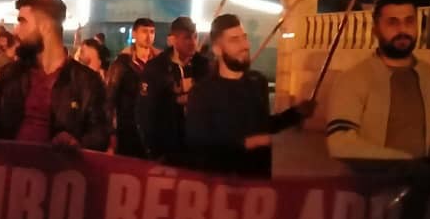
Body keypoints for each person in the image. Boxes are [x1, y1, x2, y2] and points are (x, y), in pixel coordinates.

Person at [186, 14, 316, 178]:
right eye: (234, 40)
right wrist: (247, 143)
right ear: (217, 49)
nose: (245, 45)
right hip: (222, 184)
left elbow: (262, 125)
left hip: (259, 181)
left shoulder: (257, 82)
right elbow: (199, 145)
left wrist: (295, 114)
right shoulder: (202, 92)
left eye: (244, 38)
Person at [326, 0, 430, 160]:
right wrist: (404, 162)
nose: (402, 30)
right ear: (376, 30)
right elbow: (340, 143)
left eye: (409, 21)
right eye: (392, 22)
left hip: (420, 176)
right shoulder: (353, 80)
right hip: (368, 176)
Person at [0, 0, 108, 151]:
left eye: (22, 22)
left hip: (60, 166)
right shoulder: (7, 75)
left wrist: (76, 143)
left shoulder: (86, 82)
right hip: (10, 164)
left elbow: (100, 135)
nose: (16, 32)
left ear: (46, 27)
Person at [135, 16, 212, 164]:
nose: (193, 42)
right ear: (174, 40)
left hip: (199, 149)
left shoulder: (204, 66)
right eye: (187, 38)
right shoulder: (157, 68)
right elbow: (145, 112)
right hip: (168, 148)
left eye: (195, 36)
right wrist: (154, 150)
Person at [105, 18, 159, 158]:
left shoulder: (160, 62)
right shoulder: (122, 63)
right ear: (134, 34)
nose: (148, 36)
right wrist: (111, 133)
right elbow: (109, 99)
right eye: (144, 31)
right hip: (128, 129)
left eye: (152, 32)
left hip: (154, 130)